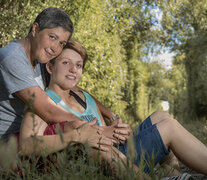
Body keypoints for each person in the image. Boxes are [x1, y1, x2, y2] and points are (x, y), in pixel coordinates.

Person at [19, 39, 207, 179]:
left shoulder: (82, 95)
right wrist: (77, 136)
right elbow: (26, 146)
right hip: (97, 163)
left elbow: (109, 128)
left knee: (161, 116)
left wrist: (119, 129)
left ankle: (172, 175)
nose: (73, 70)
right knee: (170, 127)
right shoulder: (43, 103)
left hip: (120, 154)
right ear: (50, 67)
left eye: (78, 65)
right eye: (65, 63)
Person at [0, 7, 115, 150]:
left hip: (33, 131)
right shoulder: (12, 58)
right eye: (52, 37)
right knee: (73, 127)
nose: (55, 48)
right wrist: (99, 131)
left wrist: (111, 116)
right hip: (9, 144)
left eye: (61, 43)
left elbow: (74, 88)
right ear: (35, 29)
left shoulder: (40, 57)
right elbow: (49, 111)